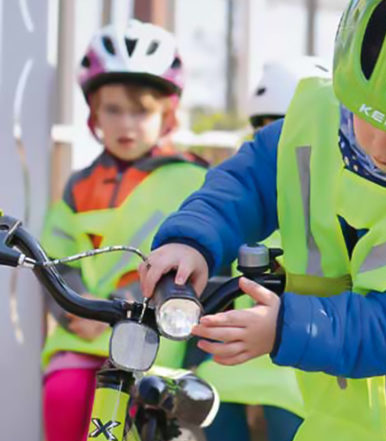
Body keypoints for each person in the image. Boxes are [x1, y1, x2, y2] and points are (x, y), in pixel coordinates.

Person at [140, 1, 386, 440]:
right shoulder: (316, 118)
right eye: (367, 117)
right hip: (338, 413)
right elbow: (244, 184)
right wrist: (191, 240)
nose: (381, 147)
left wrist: (286, 328)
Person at [40, 20, 207, 441]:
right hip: (82, 333)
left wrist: (125, 303)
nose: (126, 124)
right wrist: (76, 311)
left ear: (167, 114)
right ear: (94, 112)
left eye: (142, 110)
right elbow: (55, 251)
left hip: (152, 340)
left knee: (142, 420)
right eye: (113, 109)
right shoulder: (79, 185)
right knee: (62, 395)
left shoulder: (192, 178)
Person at [198, 56, 330, 441]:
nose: (282, 148)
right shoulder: (247, 204)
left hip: (301, 359)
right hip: (235, 360)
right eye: (263, 130)